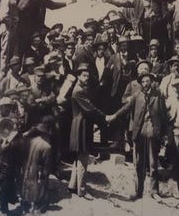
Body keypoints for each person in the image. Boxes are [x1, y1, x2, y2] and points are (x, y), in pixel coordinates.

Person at [111, 71, 169, 200]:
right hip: (139, 133)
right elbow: (125, 108)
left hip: (153, 133)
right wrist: (114, 116)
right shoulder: (137, 96)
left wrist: (164, 134)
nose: (145, 84)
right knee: (138, 163)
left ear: (151, 82)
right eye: (143, 82)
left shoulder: (158, 96)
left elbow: (164, 116)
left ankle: (154, 191)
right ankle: (138, 191)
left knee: (153, 163)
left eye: (147, 81)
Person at [68, 64, 105, 198]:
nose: (86, 78)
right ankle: (82, 190)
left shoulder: (81, 88)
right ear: (78, 76)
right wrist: (104, 117)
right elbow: (90, 109)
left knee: (79, 157)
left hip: (81, 124)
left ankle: (72, 185)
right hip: (81, 126)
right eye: (83, 76)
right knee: (83, 157)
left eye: (88, 76)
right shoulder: (78, 91)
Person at [21, 118, 53, 212]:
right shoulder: (47, 146)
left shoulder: (31, 140)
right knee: (41, 187)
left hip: (28, 167)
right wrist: (45, 176)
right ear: (47, 133)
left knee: (27, 186)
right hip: (38, 171)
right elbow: (46, 168)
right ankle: (39, 206)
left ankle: (26, 203)